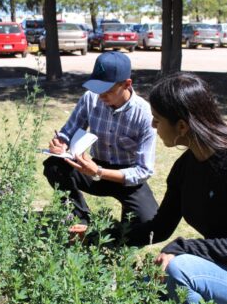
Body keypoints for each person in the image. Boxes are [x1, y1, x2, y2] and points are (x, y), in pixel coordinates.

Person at [110, 71, 227, 304]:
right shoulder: (186, 166)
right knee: (143, 285)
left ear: (182, 126)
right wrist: (99, 234)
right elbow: (160, 228)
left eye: (158, 120)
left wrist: (183, 247)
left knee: (179, 269)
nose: (153, 127)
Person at [43, 51, 158, 228]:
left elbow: (143, 171)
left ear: (127, 84)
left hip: (125, 177)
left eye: (108, 91)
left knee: (148, 221)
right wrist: (61, 142)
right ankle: (79, 219)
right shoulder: (91, 98)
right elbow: (68, 131)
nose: (101, 96)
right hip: (92, 167)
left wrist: (98, 171)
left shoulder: (144, 115)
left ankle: (119, 236)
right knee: (53, 166)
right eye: (97, 89)